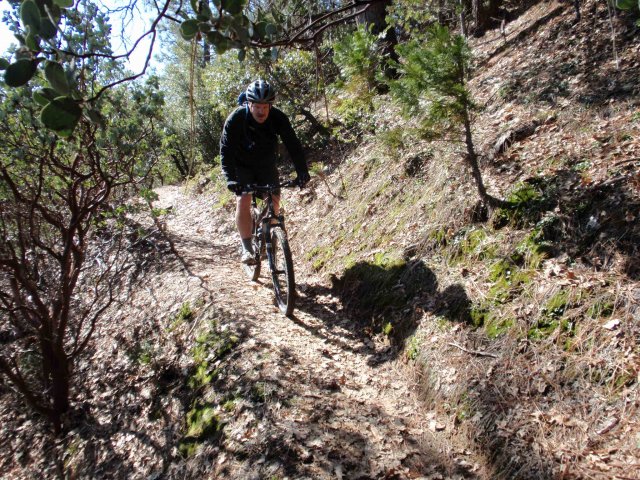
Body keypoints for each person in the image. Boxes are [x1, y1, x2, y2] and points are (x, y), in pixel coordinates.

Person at [220, 79, 311, 264]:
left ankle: (268, 236)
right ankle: (246, 247)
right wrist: (230, 179)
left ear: (270, 106)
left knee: (274, 201)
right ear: (249, 103)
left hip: (265, 164)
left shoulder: (278, 117)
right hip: (241, 165)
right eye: (257, 106)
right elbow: (226, 151)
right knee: (244, 197)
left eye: (265, 106)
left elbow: (293, 144)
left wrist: (302, 171)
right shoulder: (237, 119)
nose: (261, 111)